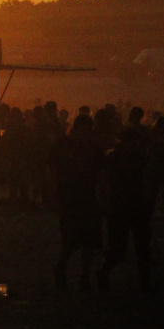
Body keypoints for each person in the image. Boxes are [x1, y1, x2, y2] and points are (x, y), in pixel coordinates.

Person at [48, 113, 104, 291]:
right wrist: (53, 195)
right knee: (71, 241)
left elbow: (102, 176)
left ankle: (84, 277)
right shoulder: (62, 147)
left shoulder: (94, 149)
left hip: (87, 199)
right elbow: (52, 172)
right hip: (69, 199)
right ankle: (63, 268)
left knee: (89, 243)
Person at [98, 126, 152, 292]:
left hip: (130, 205)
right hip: (121, 205)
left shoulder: (134, 157)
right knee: (120, 247)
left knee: (139, 246)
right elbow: (104, 181)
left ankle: (144, 282)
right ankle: (105, 275)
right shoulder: (115, 158)